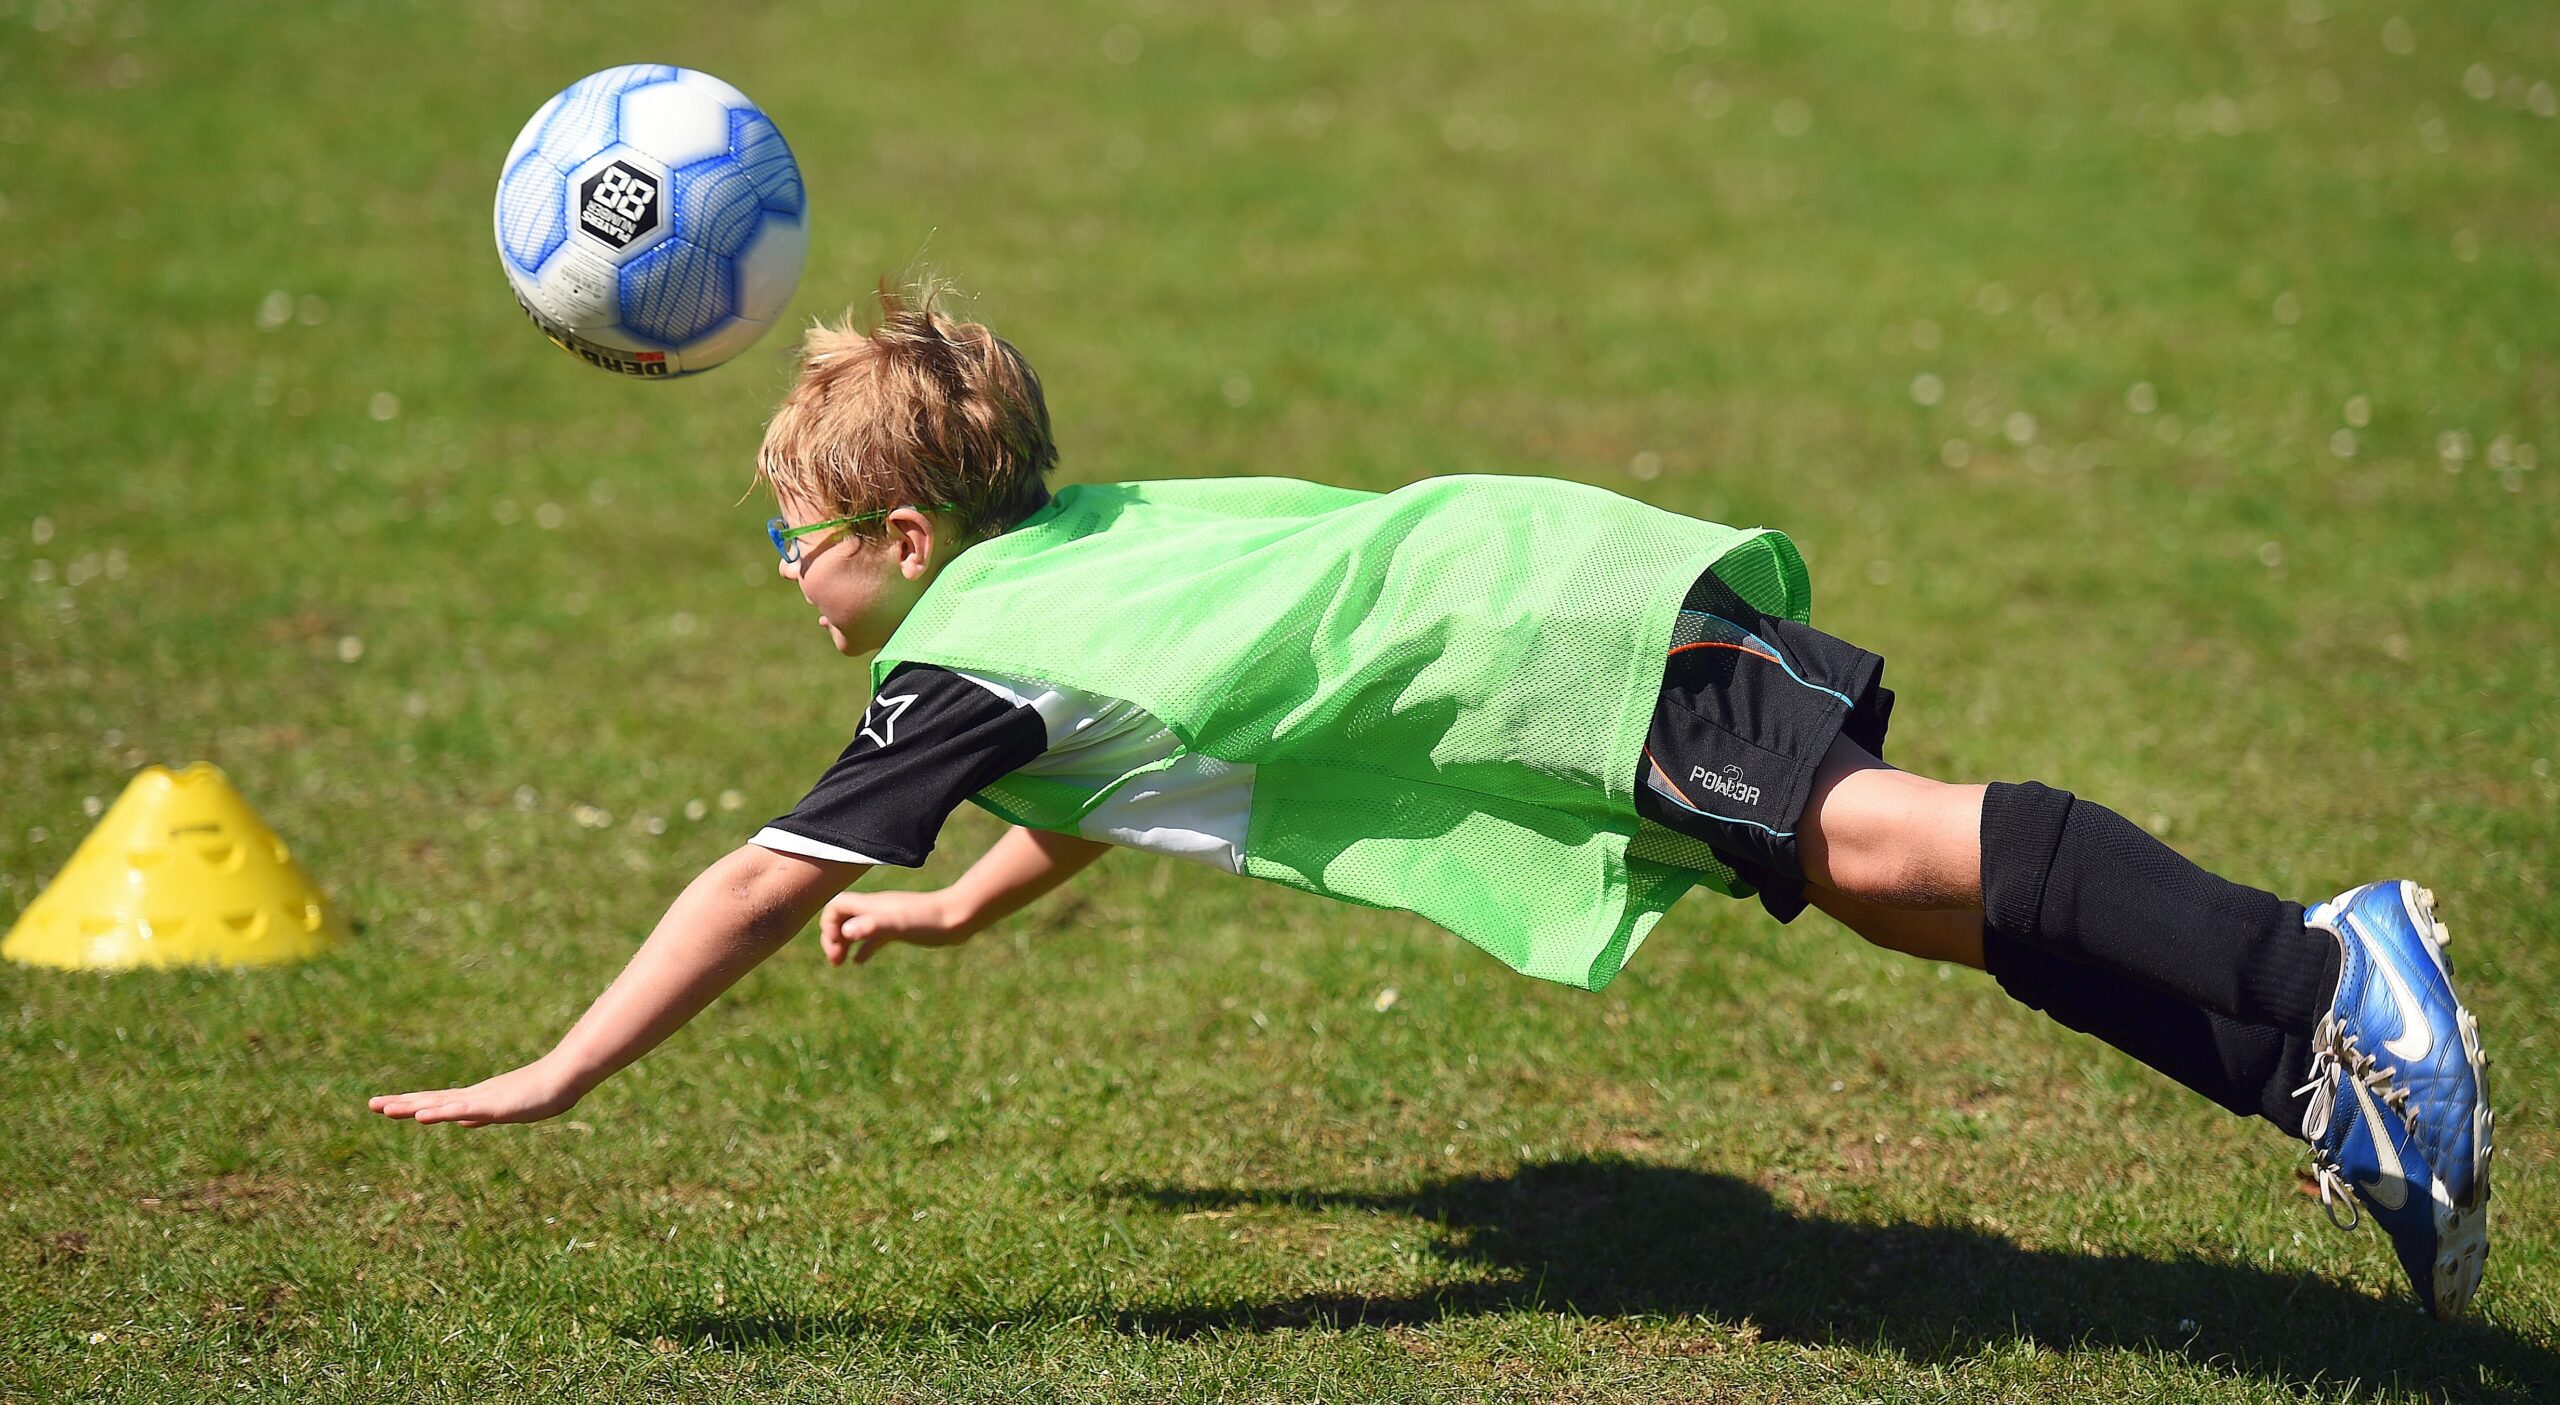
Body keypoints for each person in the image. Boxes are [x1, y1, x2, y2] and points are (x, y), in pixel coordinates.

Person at [370, 281, 2492, 1320]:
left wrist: (559, 1070)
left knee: (1870, 837)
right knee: (1876, 889)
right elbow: (1118, 754)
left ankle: (2317, 968)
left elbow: (755, 874)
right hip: (1538, 608)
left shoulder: (967, 654)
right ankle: (2302, 1076)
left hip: (1544, 642)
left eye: (790, 542)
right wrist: (950, 913)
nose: (783, 578)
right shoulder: (1062, 563)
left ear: (905, 541)